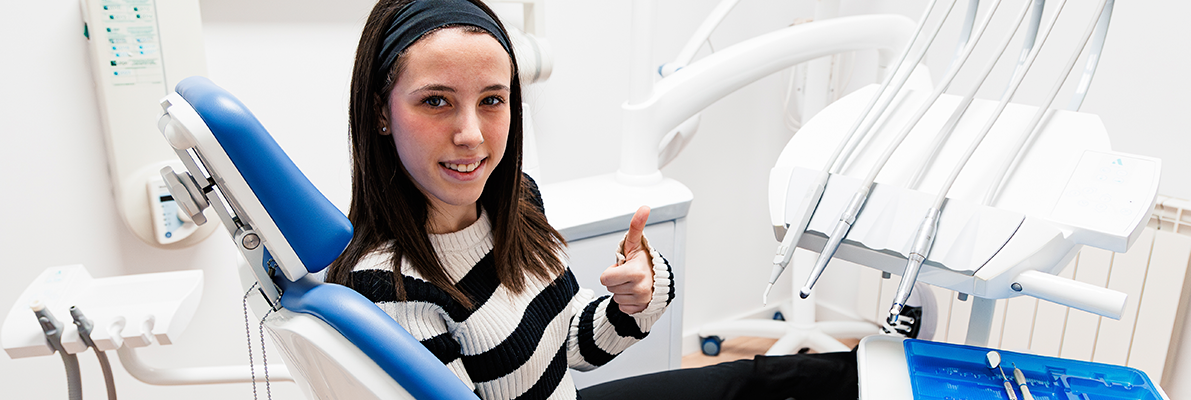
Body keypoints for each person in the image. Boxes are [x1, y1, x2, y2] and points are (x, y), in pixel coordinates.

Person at [326, 0, 859, 399]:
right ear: (380, 111)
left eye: (492, 100)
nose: (472, 134)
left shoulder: (513, 202)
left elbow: (563, 346)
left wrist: (635, 298)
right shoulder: (389, 291)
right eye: (436, 101)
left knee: (779, 378)